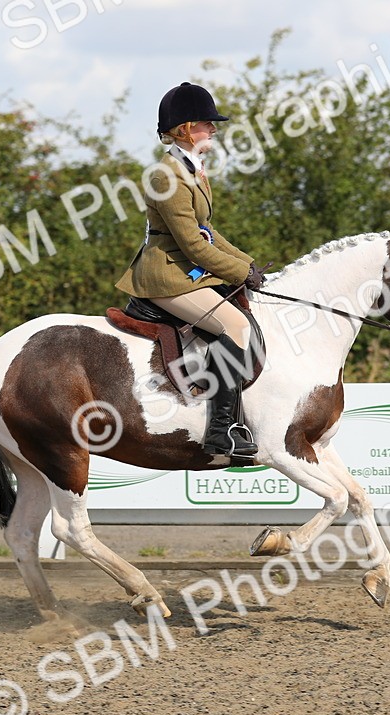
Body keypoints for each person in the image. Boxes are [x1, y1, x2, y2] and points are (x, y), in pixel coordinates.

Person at [116, 82, 267, 458]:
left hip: (185, 270)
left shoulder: (193, 169)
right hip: (165, 275)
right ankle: (221, 431)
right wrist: (237, 273)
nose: (213, 129)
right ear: (184, 128)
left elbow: (208, 231)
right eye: (206, 123)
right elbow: (193, 244)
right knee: (236, 325)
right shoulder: (166, 176)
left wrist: (246, 262)